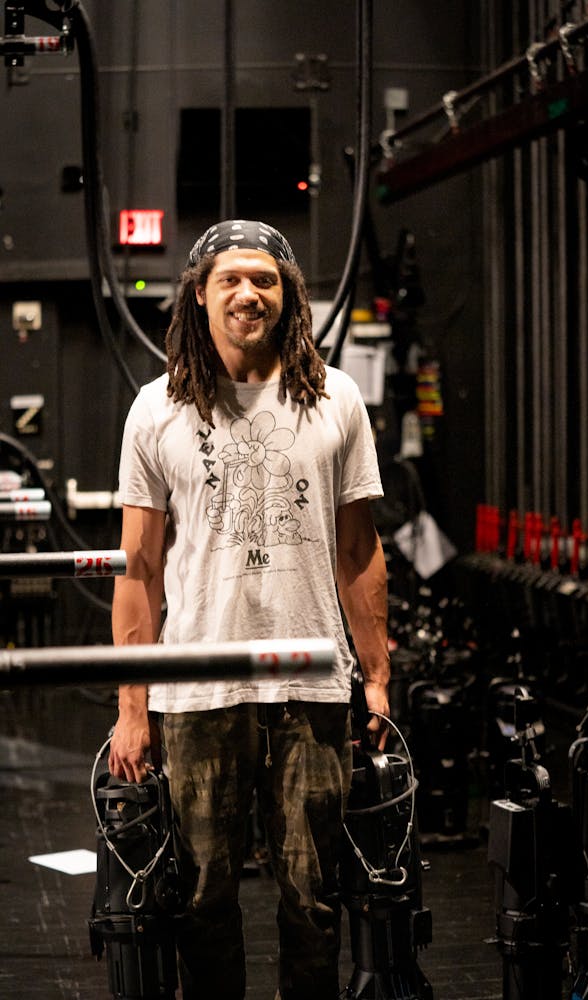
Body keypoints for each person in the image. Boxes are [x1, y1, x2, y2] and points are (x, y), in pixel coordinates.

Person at [108, 219, 391, 1000]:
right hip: (197, 691)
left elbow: (359, 551)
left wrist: (375, 674)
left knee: (313, 902)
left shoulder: (335, 398)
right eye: (230, 279)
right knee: (202, 900)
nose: (247, 293)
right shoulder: (155, 409)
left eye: (264, 279)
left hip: (311, 690)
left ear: (288, 295)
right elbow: (138, 575)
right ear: (198, 295)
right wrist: (133, 708)